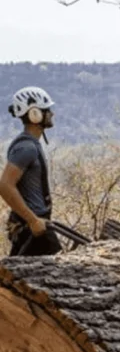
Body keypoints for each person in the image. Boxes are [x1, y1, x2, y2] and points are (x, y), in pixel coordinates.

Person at [1, 86, 61, 256]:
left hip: (36, 225)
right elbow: (5, 185)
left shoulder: (30, 145)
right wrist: (32, 220)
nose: (52, 114)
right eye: (47, 110)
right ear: (35, 114)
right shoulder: (26, 148)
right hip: (32, 227)